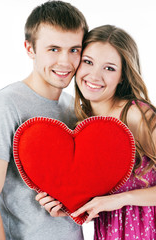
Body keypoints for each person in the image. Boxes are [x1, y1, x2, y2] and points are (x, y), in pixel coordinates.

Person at [37, 25, 156, 239]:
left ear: (122, 76)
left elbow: (114, 200)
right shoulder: (82, 128)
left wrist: (120, 200)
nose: (94, 75)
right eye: (88, 62)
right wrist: (70, 209)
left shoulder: (136, 114)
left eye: (109, 68)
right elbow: (97, 200)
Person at [0, 1, 88, 239]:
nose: (65, 62)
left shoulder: (73, 108)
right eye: (53, 49)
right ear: (30, 49)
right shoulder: (6, 104)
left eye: (74, 49)